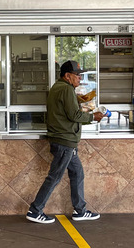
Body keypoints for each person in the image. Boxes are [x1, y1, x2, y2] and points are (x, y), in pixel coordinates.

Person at [26, 60, 105, 224]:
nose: (80, 79)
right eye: (77, 76)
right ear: (67, 76)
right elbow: (74, 116)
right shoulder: (66, 89)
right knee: (54, 177)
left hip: (65, 140)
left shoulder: (59, 88)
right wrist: (93, 117)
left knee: (77, 173)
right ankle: (35, 210)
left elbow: (67, 111)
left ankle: (80, 210)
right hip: (65, 141)